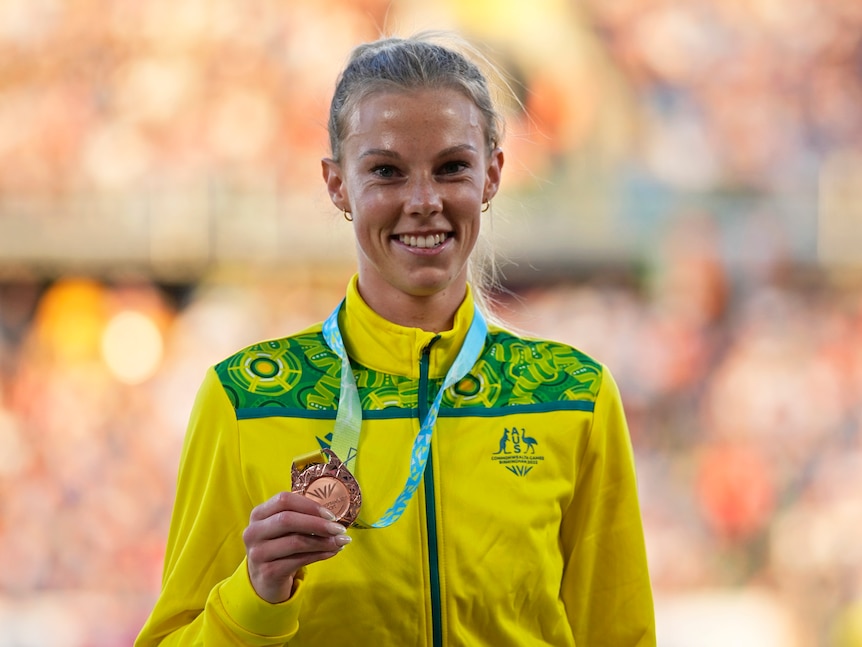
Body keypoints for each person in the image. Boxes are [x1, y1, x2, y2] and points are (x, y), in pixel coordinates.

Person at [136, 31, 655, 647]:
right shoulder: (245, 399)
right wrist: (255, 596)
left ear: (492, 175)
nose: (423, 201)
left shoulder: (574, 396)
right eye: (385, 171)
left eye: (451, 168)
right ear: (337, 185)